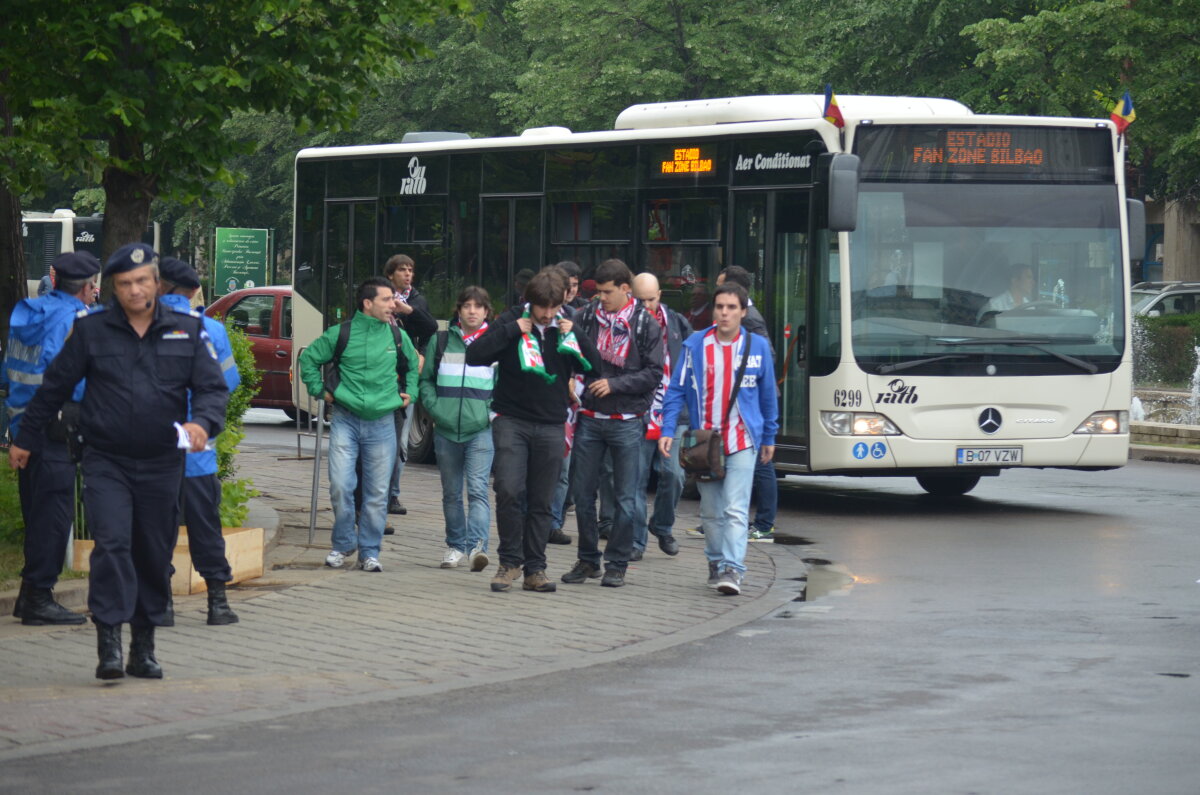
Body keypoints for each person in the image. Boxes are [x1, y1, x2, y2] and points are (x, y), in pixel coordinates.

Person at [9, 242, 228, 679]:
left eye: (142, 281)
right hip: (106, 460)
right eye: (125, 283)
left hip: (162, 461)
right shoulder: (92, 330)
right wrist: (25, 439)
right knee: (111, 547)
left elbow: (212, 388)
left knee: (152, 553)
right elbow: (53, 387)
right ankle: (108, 641)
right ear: (111, 286)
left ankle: (142, 647)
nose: (134, 290)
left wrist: (204, 423)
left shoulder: (186, 329)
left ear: (156, 282)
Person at [465, 268, 601, 593]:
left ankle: (535, 569)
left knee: (542, 499)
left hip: (552, 422)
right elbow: (475, 355)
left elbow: (596, 369)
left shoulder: (567, 327)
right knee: (510, 489)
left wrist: (577, 335)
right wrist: (512, 330)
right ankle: (509, 563)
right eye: (543, 308)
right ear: (530, 301)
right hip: (512, 419)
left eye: (554, 308)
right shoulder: (513, 319)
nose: (548, 315)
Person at [659, 282, 777, 595]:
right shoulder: (696, 344)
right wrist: (668, 429)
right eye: (720, 307)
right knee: (710, 512)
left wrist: (769, 435)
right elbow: (676, 390)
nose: (724, 313)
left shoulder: (757, 347)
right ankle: (715, 560)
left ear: (742, 312)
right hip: (705, 442)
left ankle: (732, 569)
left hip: (743, 440)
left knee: (736, 509)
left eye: (731, 308)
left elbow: (768, 396)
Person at [4, 251, 99, 626]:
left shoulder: (29, 313)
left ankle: (29, 596)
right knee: (55, 518)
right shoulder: (75, 321)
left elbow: (10, 371)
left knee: (38, 512)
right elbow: (75, 380)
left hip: (23, 426)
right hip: (55, 428)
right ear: (89, 287)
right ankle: (39, 597)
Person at [299, 277, 418, 574]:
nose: (394, 305)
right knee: (340, 486)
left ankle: (369, 552)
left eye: (393, 299)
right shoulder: (341, 333)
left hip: (382, 423)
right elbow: (309, 359)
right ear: (367, 304)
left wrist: (410, 394)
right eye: (387, 299)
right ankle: (342, 545)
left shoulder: (396, 336)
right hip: (345, 419)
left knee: (378, 493)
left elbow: (415, 366)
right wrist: (320, 391)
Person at [562, 259, 663, 588]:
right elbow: (571, 354)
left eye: (607, 292)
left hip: (627, 421)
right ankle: (588, 559)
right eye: (598, 291)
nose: (601, 298)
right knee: (583, 492)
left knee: (624, 497)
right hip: (590, 418)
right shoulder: (586, 316)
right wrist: (571, 378)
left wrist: (614, 384)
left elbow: (653, 373)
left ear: (624, 289)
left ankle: (617, 562)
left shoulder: (645, 324)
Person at [158, 258, 242, 625]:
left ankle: (161, 605)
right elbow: (229, 383)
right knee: (205, 527)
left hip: (153, 452)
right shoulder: (211, 330)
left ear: (158, 285)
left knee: (156, 528)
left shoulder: (137, 327)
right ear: (194, 292)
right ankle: (217, 603)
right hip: (197, 451)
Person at [419, 286, 496, 572]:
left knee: (477, 489)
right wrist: (436, 410)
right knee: (451, 492)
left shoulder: (495, 343)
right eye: (467, 306)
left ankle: (478, 548)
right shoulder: (440, 341)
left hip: (480, 430)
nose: (472, 311)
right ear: (459, 311)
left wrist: (489, 414)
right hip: (446, 429)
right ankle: (455, 546)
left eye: (478, 306)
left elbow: (502, 385)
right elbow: (425, 380)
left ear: (486, 311)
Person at [629, 272, 690, 560]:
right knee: (636, 479)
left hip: (673, 413)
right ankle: (636, 542)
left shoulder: (677, 323)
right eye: (639, 300)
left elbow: (693, 363)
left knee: (674, 475)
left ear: (660, 296)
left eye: (650, 299)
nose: (646, 306)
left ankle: (662, 525)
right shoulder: (626, 323)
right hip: (639, 412)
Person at [717, 265, 778, 542]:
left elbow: (767, 357)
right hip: (746, 406)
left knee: (763, 466)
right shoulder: (746, 316)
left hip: (750, 407)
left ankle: (764, 524)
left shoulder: (750, 320)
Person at [383, 254, 437, 516]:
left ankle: (393, 494)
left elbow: (430, 327)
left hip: (406, 377)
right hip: (382, 377)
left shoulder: (415, 300)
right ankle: (375, 492)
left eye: (411, 270)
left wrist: (409, 311)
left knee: (401, 441)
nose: (408, 275)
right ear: (391, 274)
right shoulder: (380, 295)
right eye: (402, 270)